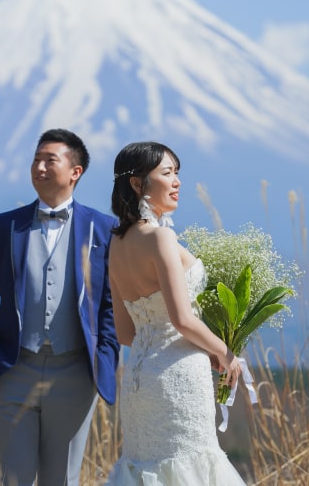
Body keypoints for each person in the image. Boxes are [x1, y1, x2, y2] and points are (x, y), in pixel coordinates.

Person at [0, 128, 119, 486]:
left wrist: (104, 356)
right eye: (36, 159)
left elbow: (111, 306)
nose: (39, 166)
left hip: (75, 373)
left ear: (75, 172)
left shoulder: (104, 228)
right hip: (12, 369)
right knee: (13, 479)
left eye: (49, 160)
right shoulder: (4, 226)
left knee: (62, 480)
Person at [103, 141, 247, 485]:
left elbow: (125, 332)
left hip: (140, 380)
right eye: (168, 173)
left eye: (177, 173)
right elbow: (182, 319)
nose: (177, 181)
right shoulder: (160, 239)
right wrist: (224, 352)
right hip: (178, 378)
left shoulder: (117, 244)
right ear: (138, 184)